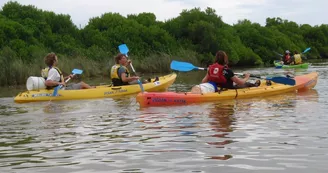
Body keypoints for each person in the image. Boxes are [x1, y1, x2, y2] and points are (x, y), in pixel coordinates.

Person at [191, 51, 260, 94]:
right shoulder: (227, 70)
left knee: (238, 82)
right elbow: (240, 82)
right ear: (225, 59)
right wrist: (246, 77)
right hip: (228, 90)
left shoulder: (211, 69)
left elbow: (203, 82)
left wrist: (208, 72)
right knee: (246, 83)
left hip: (216, 88)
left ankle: (255, 84)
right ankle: (256, 85)